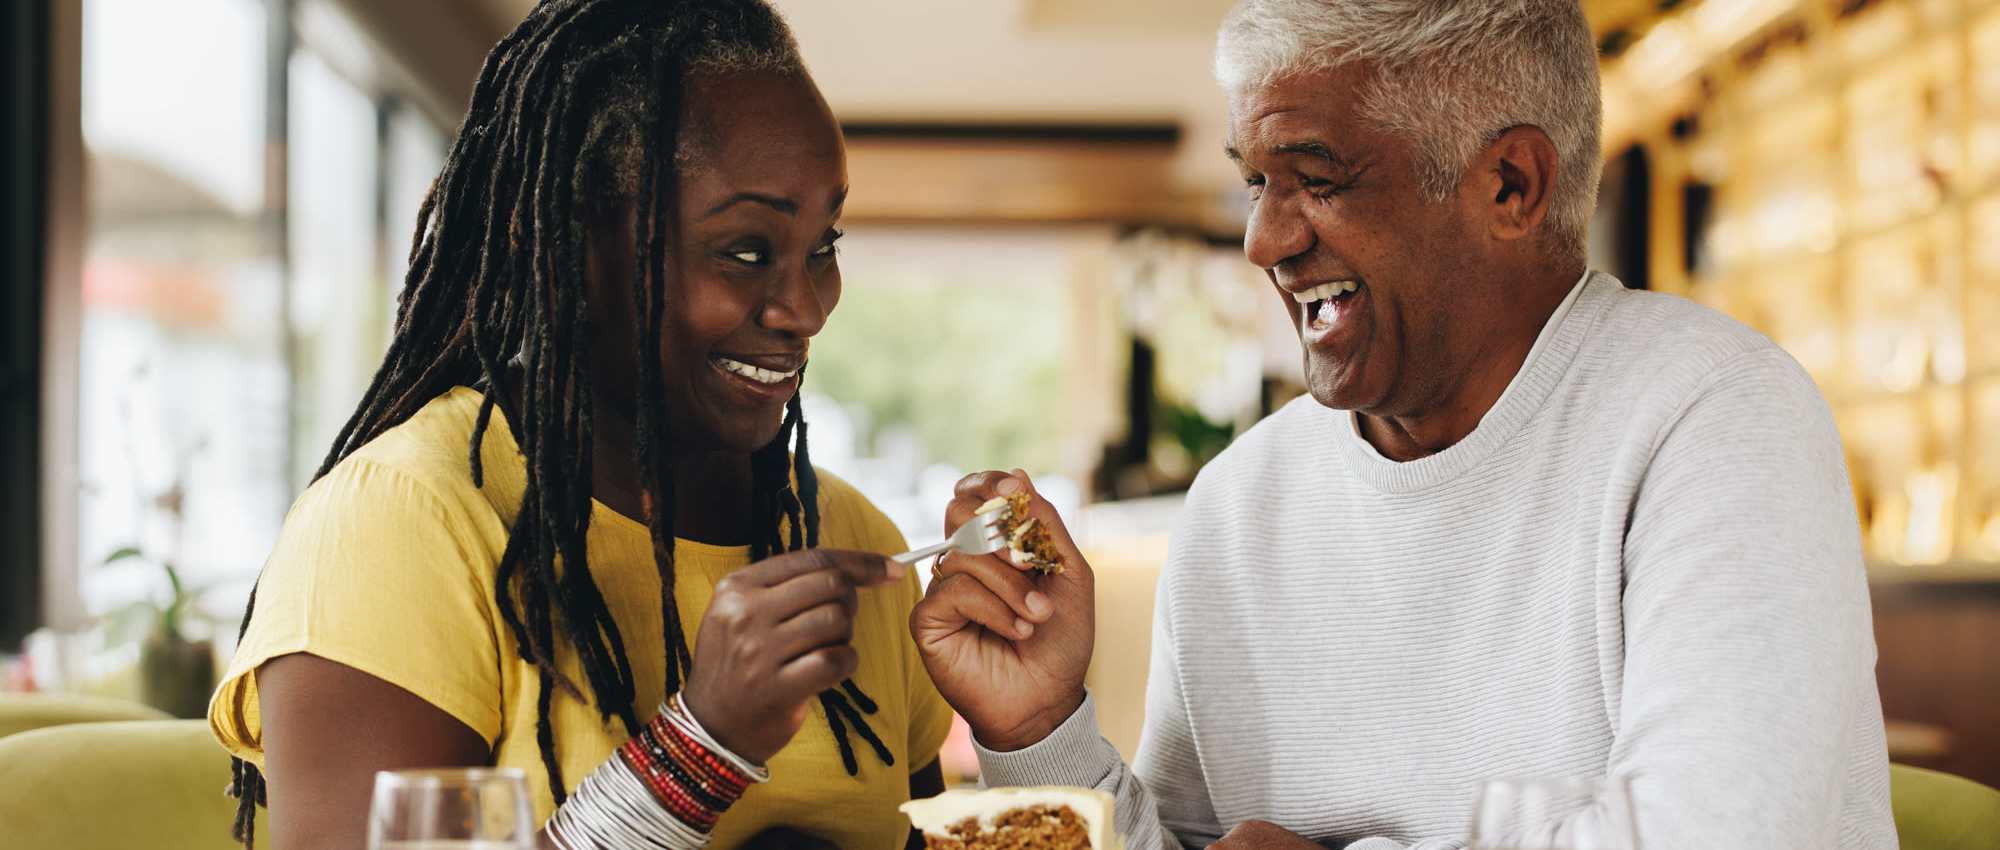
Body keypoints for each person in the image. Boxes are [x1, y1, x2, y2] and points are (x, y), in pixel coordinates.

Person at [909, 1, 1895, 848]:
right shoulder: (1239, 504)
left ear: (1509, 185)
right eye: (1256, 181)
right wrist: (1040, 727)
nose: (1264, 239)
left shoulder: (1712, 417)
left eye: (1317, 176)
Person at [208, 3, 952, 849]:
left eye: (824, 243)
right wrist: (700, 751)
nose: (806, 307)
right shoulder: (402, 523)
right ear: (572, 240)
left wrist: (1030, 728)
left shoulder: (846, 536)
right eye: (746, 250)